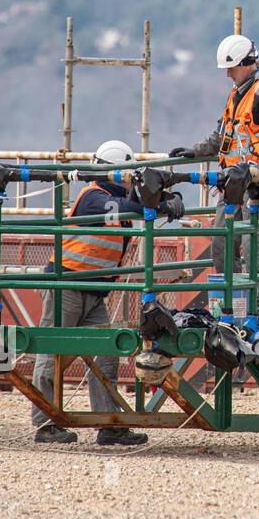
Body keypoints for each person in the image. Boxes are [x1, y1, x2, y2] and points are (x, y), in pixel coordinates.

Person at [33, 139, 184, 445]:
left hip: (95, 294)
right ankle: (45, 424)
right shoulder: (93, 197)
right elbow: (121, 208)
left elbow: (134, 205)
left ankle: (108, 424)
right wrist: (157, 205)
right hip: (66, 286)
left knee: (106, 357)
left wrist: (168, 197)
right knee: (52, 355)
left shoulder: (123, 205)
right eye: (127, 174)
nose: (131, 180)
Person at [169, 35, 259, 319]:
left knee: (254, 252)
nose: (227, 74)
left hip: (257, 191)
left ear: (247, 64)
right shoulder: (238, 95)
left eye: (231, 68)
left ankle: (255, 313)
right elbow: (221, 136)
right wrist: (194, 152)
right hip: (230, 187)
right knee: (222, 248)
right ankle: (231, 307)